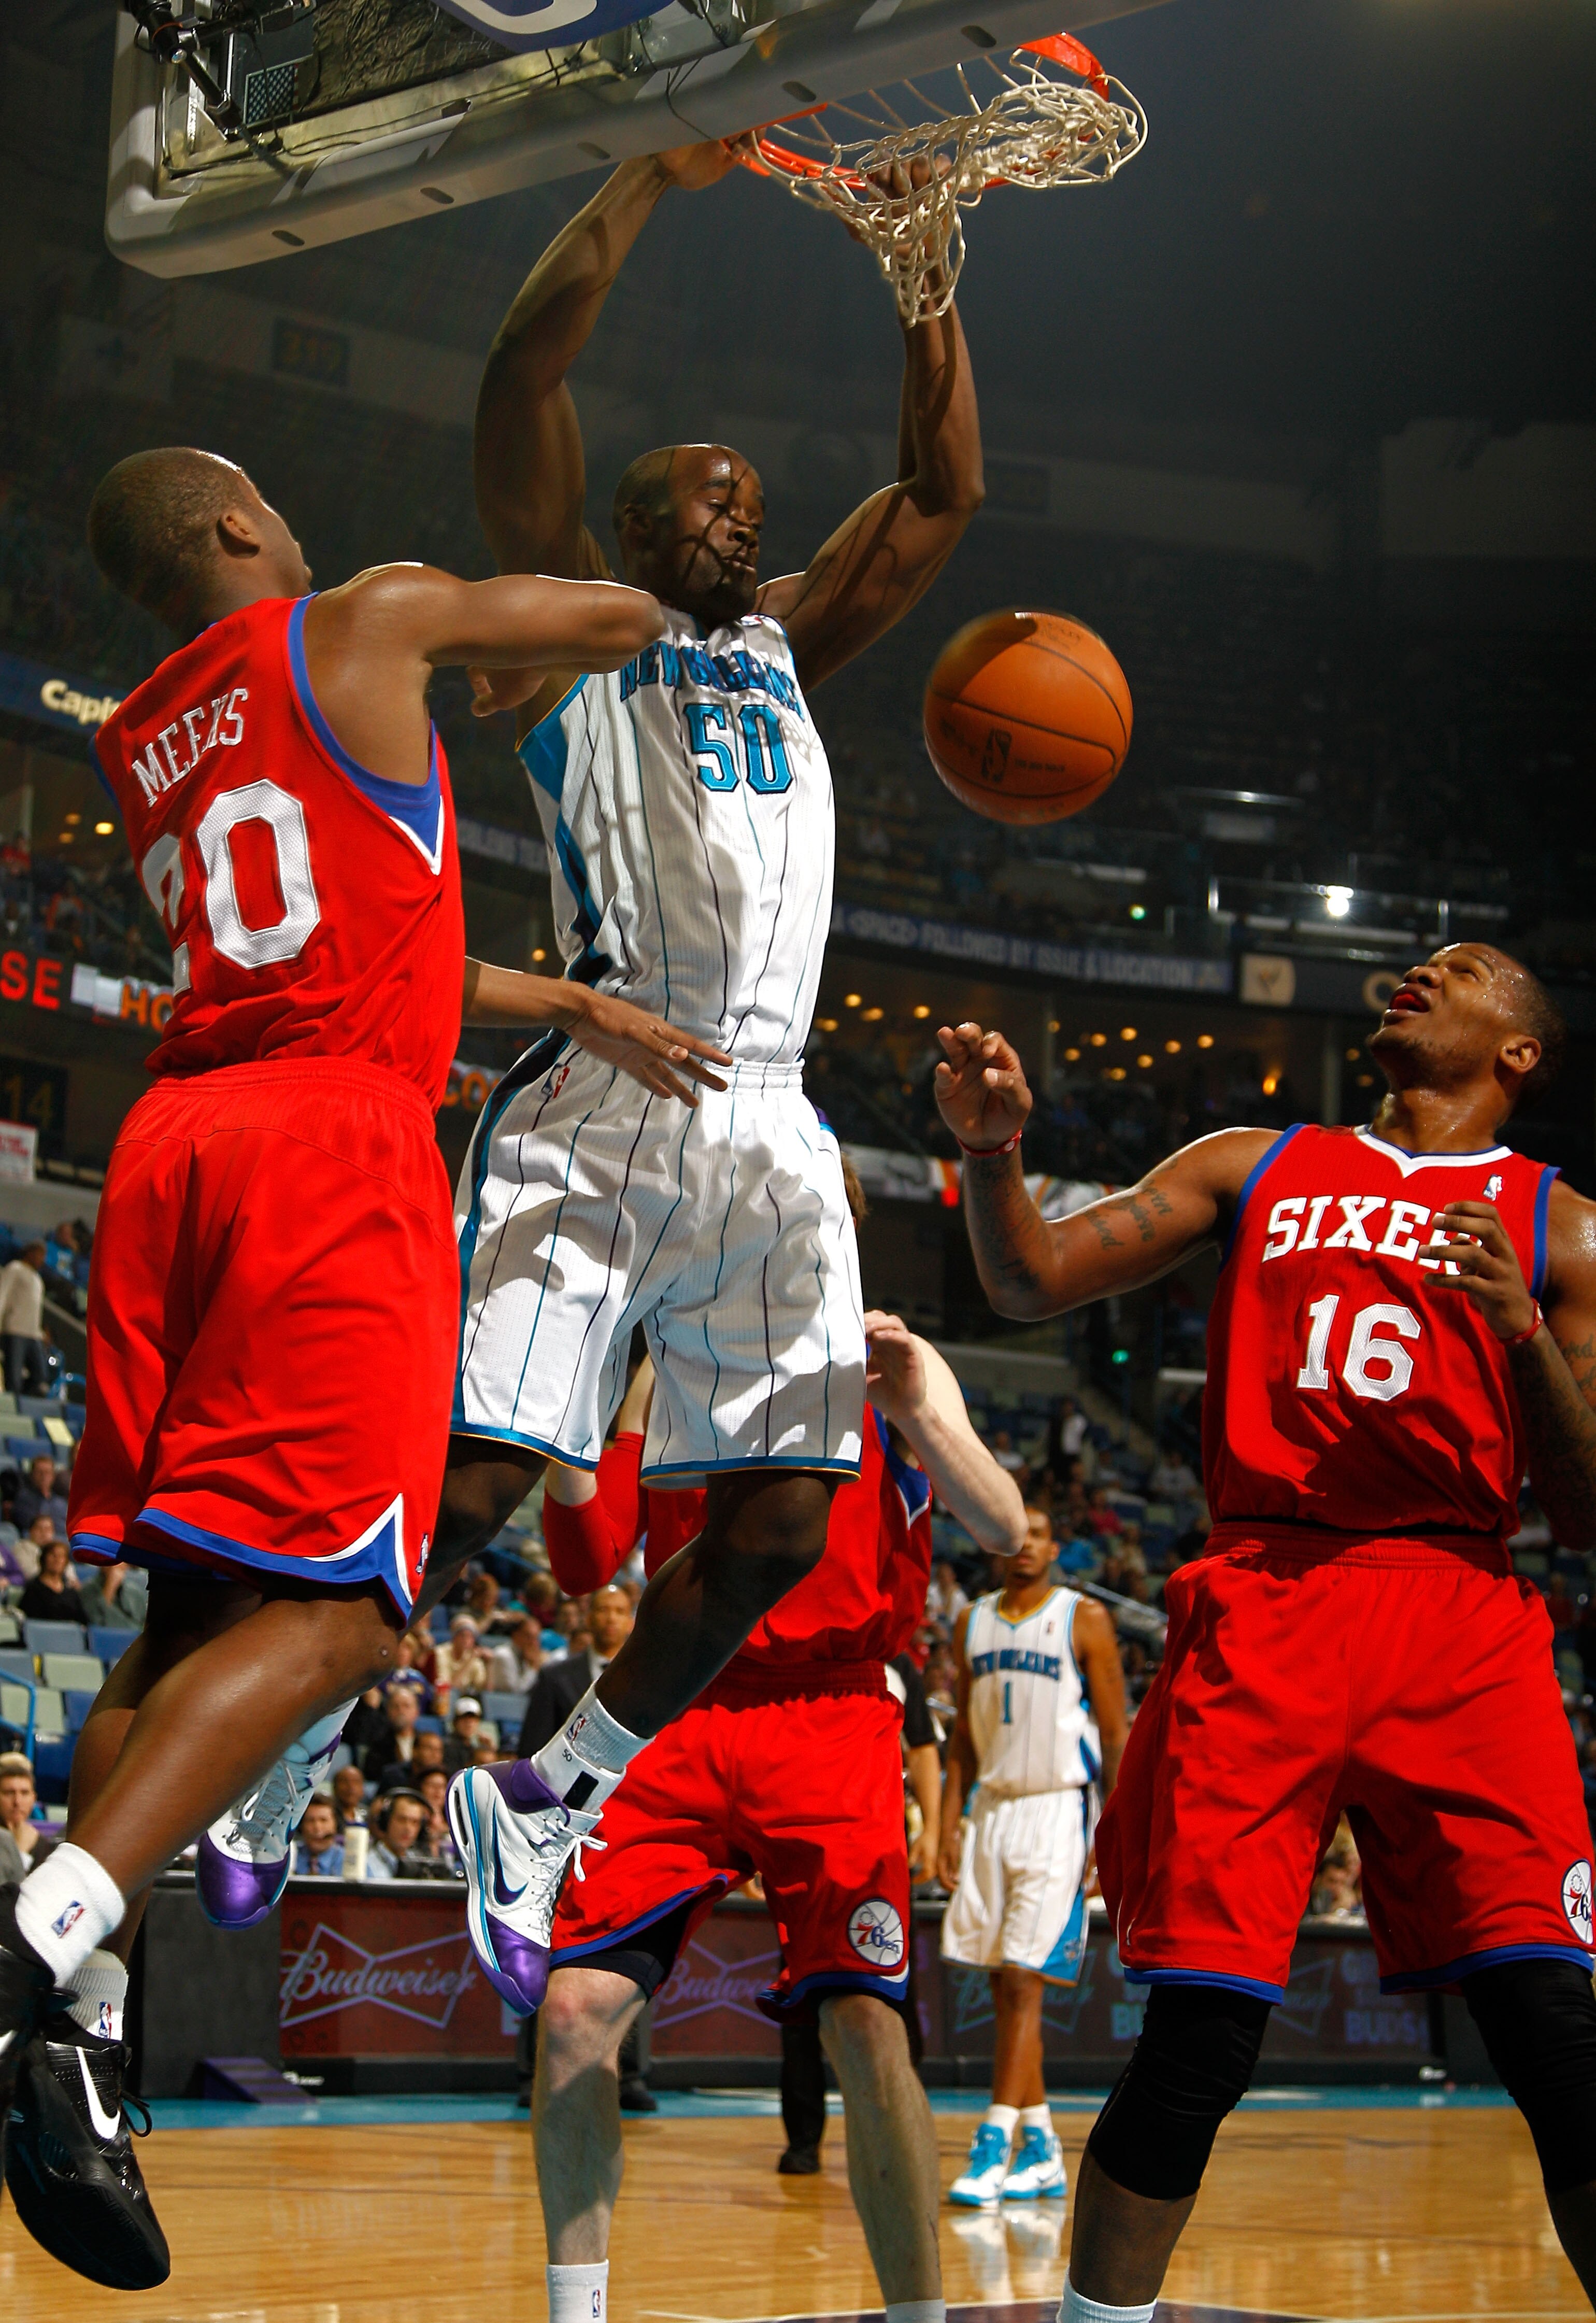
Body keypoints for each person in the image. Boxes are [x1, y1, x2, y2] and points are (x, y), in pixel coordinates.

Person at [0, 442, 716, 2296]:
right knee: (343, 1624)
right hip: (335, 1153)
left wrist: (568, 1004)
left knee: (179, 1637)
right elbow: (626, 613)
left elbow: (370, 927)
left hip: (182, 1151)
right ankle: (32, 1942)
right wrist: (611, 626)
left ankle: (69, 2029)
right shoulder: (370, 615)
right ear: (239, 528)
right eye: (270, 501)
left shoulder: (148, 734)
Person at [436, 129, 984, 2016]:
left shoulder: (785, 645)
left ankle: (545, 1788)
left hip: (772, 1121)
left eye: (753, 507)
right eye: (703, 505)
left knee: (774, 1528)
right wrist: (638, 187)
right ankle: (283, 1719)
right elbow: (525, 381)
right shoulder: (569, 636)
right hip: (609, 1087)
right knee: (486, 1478)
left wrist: (927, 276)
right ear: (628, 527)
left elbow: (941, 490)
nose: (739, 526)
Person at [932, 942, 1596, 2311]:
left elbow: (1587, 1505)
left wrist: (1524, 1333)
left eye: (1460, 970)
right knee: (1203, 2033)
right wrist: (996, 1154)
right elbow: (1028, 1283)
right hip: (1270, 1597)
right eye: (1419, 960)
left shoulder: (1564, 1225)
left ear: (1519, 1052)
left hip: (1460, 1611)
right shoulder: (1256, 1160)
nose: (1421, 971)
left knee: (1556, 2034)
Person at [531, 1304, 1024, 2323]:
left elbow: (1007, 1524)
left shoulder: (894, 1351)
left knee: (865, 2028)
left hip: (834, 1709)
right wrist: (569, 1407)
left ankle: (918, 2316)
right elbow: (587, 1554)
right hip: (680, 1693)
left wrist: (916, 1409)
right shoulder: (665, 1357)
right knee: (574, 2014)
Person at [938, 1506, 1127, 2205]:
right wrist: (947, 1824)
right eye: (1016, 1534)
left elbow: (1115, 1731)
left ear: (1056, 1546)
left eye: (1040, 1534)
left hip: (1060, 1806)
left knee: (1023, 1978)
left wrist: (1114, 1829)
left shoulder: (1085, 1619)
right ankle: (1044, 2145)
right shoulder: (971, 1621)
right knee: (1002, 1982)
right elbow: (960, 1736)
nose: (1027, 1545)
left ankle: (994, 2139)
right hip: (990, 1807)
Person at [516, 1587, 636, 1759]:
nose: (611, 1619)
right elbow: (532, 1748)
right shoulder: (554, 1677)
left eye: (620, 1612)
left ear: (631, 1622)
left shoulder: (647, 1680)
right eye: (603, 1610)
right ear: (588, 1619)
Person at [0, 1242, 48, 1397]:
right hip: (15, 1331)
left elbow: (35, 1310)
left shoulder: (37, 1279)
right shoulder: (15, 1268)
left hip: (33, 1335)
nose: (42, 1260)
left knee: (40, 1377)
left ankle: (22, 1402)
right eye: (40, 1255)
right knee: (13, 1377)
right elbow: (2, 1295)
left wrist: (40, 1333)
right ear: (30, 1253)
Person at [0, 1754, 49, 1886]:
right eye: (9, 1793)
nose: (17, 1802)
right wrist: (21, 1852)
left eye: (24, 1793)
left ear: (34, 1798)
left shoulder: (44, 1846)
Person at [18, 1537, 88, 1627]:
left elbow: (83, 1622)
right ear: (44, 1559)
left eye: (62, 1556)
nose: (57, 1560)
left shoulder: (72, 1593)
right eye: (53, 1555)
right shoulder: (33, 1588)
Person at [367, 1791, 430, 1880]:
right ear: (386, 1821)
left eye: (415, 1822)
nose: (408, 1828)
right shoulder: (366, 1864)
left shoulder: (421, 1865)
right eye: (402, 1820)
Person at [78, 1561, 148, 1635]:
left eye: (120, 1561)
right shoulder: (88, 1590)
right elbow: (99, 1623)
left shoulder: (135, 1592)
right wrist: (111, 1586)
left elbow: (143, 1624)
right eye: (111, 1560)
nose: (114, 1566)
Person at [12, 1454, 69, 1536]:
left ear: (53, 1476)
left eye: (47, 1473)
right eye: (40, 1472)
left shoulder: (61, 1503)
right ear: (32, 1475)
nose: (44, 1477)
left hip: (62, 1543)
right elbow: (28, 1525)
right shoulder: (23, 1499)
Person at [489, 1613, 545, 1695]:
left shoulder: (529, 1655)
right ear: (515, 1635)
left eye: (536, 1638)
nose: (533, 1643)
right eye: (529, 1637)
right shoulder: (503, 1655)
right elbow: (515, 1693)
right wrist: (532, 1668)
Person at [290, 1795, 345, 1878]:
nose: (317, 1828)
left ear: (337, 1825)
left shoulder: (350, 1860)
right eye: (310, 1820)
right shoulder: (289, 1857)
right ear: (301, 1827)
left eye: (324, 1820)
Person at [331, 1764, 369, 1831]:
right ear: (335, 1787)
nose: (351, 1787)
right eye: (344, 1781)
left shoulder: (368, 1816)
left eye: (356, 1782)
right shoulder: (328, 1816)